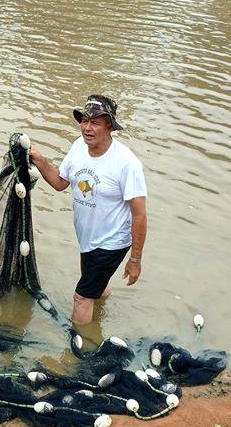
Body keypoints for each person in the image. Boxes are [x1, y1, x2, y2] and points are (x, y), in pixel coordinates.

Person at [28, 95, 147, 325]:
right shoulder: (78, 147)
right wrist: (40, 160)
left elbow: (139, 215)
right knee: (94, 286)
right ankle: (100, 311)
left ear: (110, 127)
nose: (87, 128)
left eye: (95, 123)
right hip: (88, 238)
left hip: (113, 241)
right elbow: (60, 183)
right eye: (84, 121)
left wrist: (135, 259)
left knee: (81, 297)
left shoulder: (126, 164)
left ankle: (79, 351)